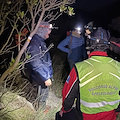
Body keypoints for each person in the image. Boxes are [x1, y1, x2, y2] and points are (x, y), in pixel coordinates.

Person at [56, 26, 120, 120]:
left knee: (59, 116)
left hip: (84, 116)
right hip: (110, 116)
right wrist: (117, 110)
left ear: (89, 43)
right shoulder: (118, 66)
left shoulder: (79, 68)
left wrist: (65, 109)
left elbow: (68, 94)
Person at [24, 21, 53, 110]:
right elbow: (36, 62)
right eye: (48, 29)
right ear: (42, 30)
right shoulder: (35, 43)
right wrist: (45, 77)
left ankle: (43, 106)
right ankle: (41, 109)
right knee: (42, 91)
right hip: (40, 74)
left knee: (44, 91)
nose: (50, 32)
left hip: (43, 73)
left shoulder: (40, 41)